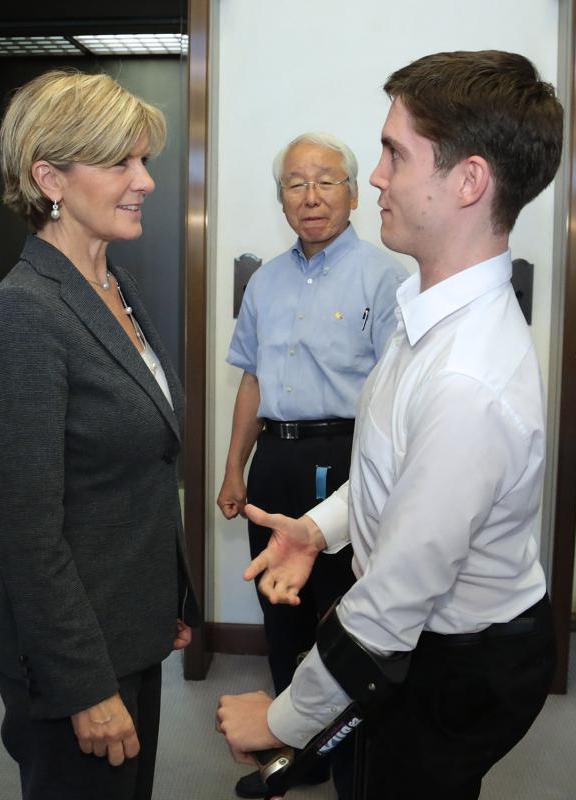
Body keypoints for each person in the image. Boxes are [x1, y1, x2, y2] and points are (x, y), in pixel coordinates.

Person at [216, 50, 563, 800]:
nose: (373, 177)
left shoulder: (467, 378)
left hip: (454, 655)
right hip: (421, 635)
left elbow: (397, 596)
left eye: (393, 154)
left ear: (468, 181)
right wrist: (317, 529)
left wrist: (283, 718)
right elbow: (391, 472)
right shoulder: (426, 312)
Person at [0, 70, 200, 800]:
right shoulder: (25, 313)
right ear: (51, 178)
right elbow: (29, 531)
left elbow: (136, 462)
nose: (145, 181)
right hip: (76, 658)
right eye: (120, 163)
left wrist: (168, 594)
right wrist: (84, 688)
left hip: (128, 624)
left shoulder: (113, 284)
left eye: (145, 161)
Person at [217, 131, 406, 799]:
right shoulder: (264, 280)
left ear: (354, 193)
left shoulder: (389, 277)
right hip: (276, 459)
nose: (311, 195)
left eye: (327, 180)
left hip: (349, 458)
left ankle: (351, 747)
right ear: (281, 199)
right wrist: (236, 466)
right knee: (282, 608)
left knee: (344, 613)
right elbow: (250, 382)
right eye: (295, 183)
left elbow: (398, 391)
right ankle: (294, 742)